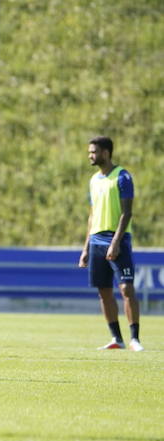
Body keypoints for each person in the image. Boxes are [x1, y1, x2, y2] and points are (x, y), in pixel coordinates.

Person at [78, 136, 142, 351]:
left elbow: (127, 213)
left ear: (105, 153)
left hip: (118, 239)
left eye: (93, 152)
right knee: (103, 291)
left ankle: (135, 339)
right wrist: (86, 248)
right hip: (96, 240)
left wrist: (115, 242)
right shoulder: (94, 180)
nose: (90, 155)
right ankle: (117, 338)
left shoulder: (122, 177)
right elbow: (92, 214)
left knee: (126, 288)